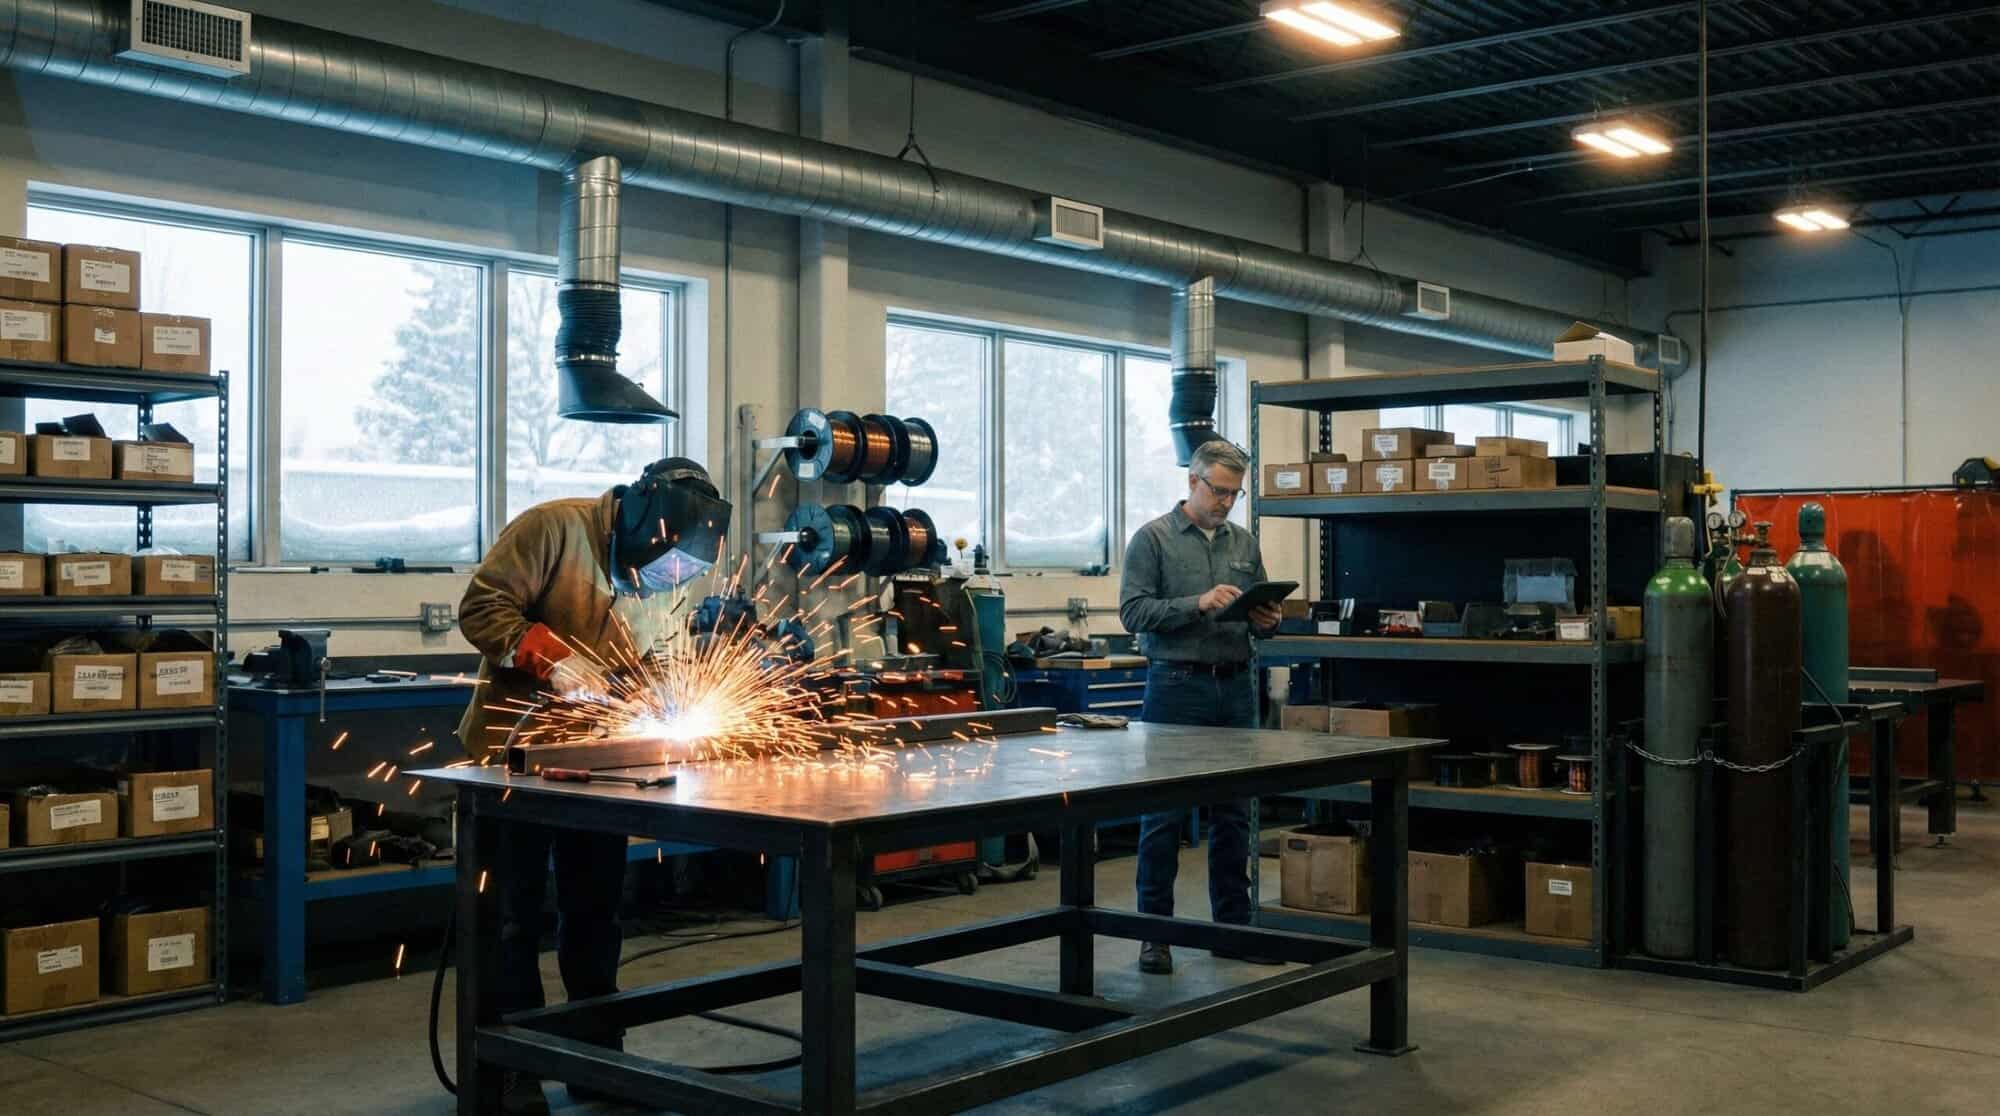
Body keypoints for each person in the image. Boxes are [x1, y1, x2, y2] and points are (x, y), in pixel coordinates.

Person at [456, 457, 729, 1112]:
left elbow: (659, 651)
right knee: (514, 917)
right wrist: (552, 660)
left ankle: (597, 1057)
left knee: (595, 912)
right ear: (636, 514)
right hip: (511, 757)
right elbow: (481, 607)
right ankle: (516, 1065)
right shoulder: (553, 529)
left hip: (600, 763)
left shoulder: (669, 566)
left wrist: (665, 694)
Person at [1118, 439, 1283, 975]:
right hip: (1176, 686)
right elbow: (1133, 611)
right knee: (1163, 814)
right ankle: (1155, 936)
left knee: (1235, 814)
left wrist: (1267, 620)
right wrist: (1197, 603)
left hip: (1235, 687)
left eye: (1235, 494)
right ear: (1192, 482)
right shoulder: (1153, 540)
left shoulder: (1244, 543)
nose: (1227, 503)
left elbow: (1259, 609)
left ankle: (1233, 930)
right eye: (1219, 491)